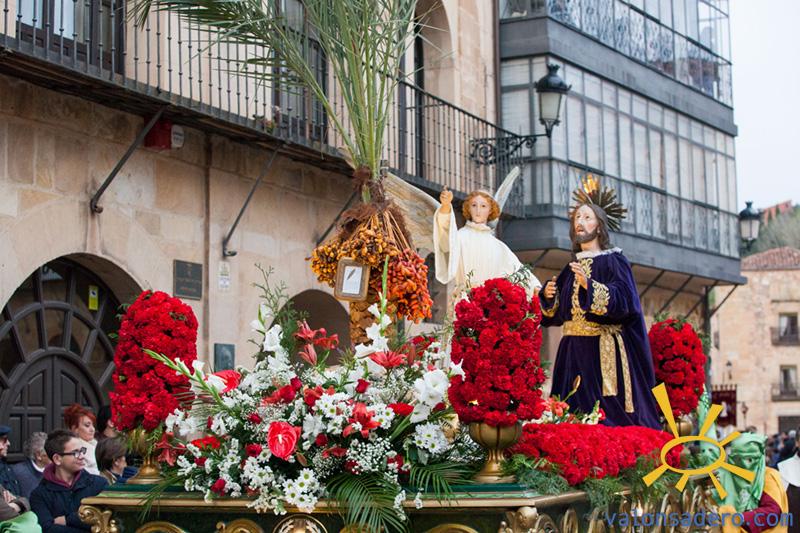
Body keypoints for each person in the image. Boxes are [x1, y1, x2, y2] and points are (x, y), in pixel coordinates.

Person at [539, 177, 660, 428]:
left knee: (604, 416)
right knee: (570, 414)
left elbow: (626, 302)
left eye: (587, 217)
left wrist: (590, 286)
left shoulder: (614, 261)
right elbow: (558, 315)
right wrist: (549, 297)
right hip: (571, 351)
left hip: (601, 350)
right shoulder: (571, 268)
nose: (580, 222)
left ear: (599, 226)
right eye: (577, 218)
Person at [433, 188, 540, 297]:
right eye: (474, 205)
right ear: (469, 208)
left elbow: (518, 270)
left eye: (483, 206)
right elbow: (445, 239)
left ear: (490, 211)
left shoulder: (498, 246)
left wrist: (536, 288)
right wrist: (445, 208)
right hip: (465, 301)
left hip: (490, 302)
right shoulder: (460, 237)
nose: (478, 210)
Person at [30, 430, 108, 532]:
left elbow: (105, 519)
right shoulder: (39, 495)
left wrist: (67, 520)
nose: (82, 456)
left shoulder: (99, 484)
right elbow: (47, 529)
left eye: (82, 451)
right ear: (57, 459)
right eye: (76, 453)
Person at [717, 433, 788, 533]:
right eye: (738, 458)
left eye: (750, 459)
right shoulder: (728, 475)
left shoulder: (768, 476)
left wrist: (741, 518)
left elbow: (773, 511)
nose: (745, 464)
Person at [10, 432, 49, 499]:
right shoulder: (18, 472)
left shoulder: (57, 470)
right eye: (50, 451)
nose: (55, 454)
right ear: (39, 455)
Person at [62, 406, 98, 476]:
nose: (92, 429)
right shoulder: (73, 450)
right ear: (75, 429)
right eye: (87, 425)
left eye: (93, 425)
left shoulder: (96, 444)